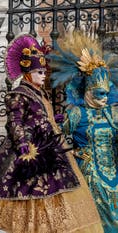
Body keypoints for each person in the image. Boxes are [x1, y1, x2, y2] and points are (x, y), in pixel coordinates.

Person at [0, 34, 103, 232]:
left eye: (44, 72)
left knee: (57, 187)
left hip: (49, 144)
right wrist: (22, 141)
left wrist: (52, 118)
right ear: (28, 73)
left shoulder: (41, 93)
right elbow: (15, 122)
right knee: (29, 188)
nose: (43, 76)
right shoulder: (18, 95)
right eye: (39, 72)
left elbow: (41, 114)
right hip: (30, 148)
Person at [50, 32, 118, 232]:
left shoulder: (113, 114)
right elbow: (55, 141)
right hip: (87, 175)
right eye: (99, 93)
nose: (104, 98)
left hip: (113, 172)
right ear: (88, 91)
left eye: (107, 93)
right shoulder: (76, 114)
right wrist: (71, 155)